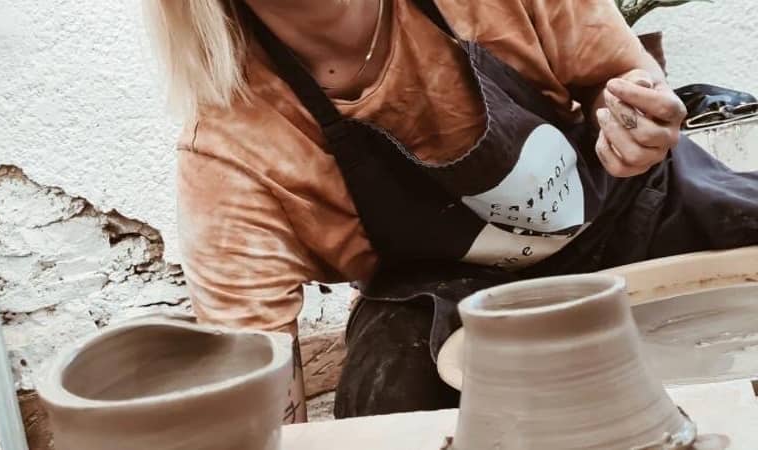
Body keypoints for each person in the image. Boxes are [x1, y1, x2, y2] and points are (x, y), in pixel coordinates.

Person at [145, 0, 758, 421]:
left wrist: (635, 119)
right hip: (455, 304)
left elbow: (623, 75)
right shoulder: (231, 145)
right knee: (383, 395)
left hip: (627, 209)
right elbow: (257, 383)